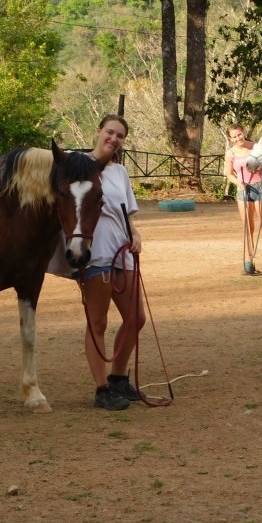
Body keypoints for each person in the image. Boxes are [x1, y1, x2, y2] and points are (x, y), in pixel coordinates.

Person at [77, 114, 147, 410]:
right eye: (110, 132)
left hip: (123, 250)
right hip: (95, 252)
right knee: (98, 322)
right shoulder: (77, 165)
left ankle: (118, 377)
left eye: (120, 136)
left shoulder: (120, 173)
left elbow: (126, 213)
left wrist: (136, 234)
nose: (113, 139)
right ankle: (102, 388)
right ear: (98, 131)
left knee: (136, 318)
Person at [224, 123, 262, 276]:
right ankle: (249, 263)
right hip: (244, 190)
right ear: (230, 138)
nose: (237, 138)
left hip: (260, 188)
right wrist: (238, 183)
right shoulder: (231, 153)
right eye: (234, 136)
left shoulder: (255, 147)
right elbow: (229, 174)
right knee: (248, 228)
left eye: (239, 134)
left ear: (244, 132)